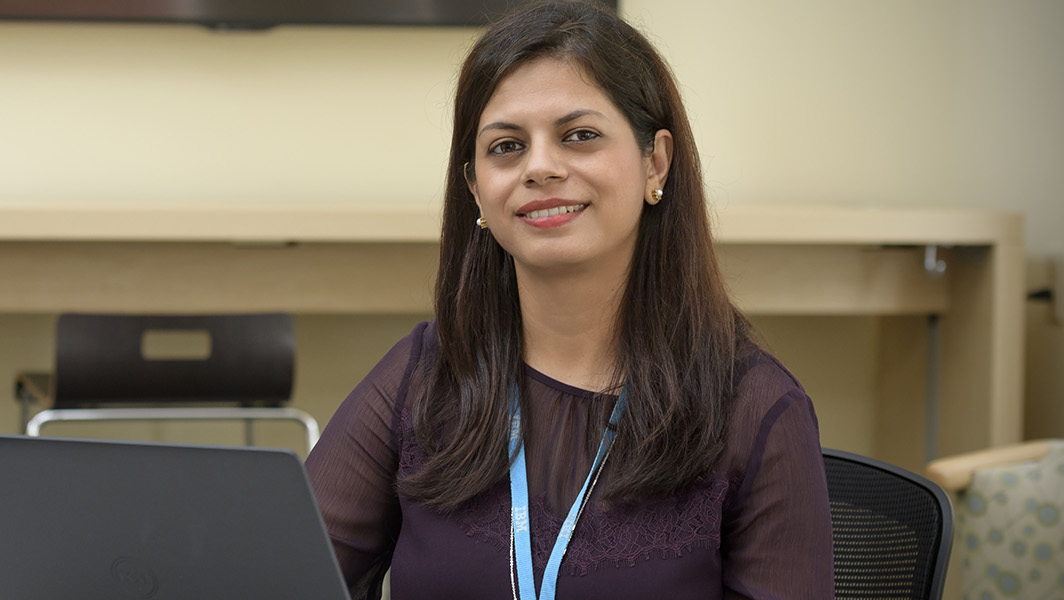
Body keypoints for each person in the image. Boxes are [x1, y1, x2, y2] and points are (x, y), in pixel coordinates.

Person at [303, 1, 834, 598]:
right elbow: (282, 571)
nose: (540, 167)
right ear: (476, 190)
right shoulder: (426, 373)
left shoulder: (756, 407)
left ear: (654, 162)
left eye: (579, 136)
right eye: (506, 146)